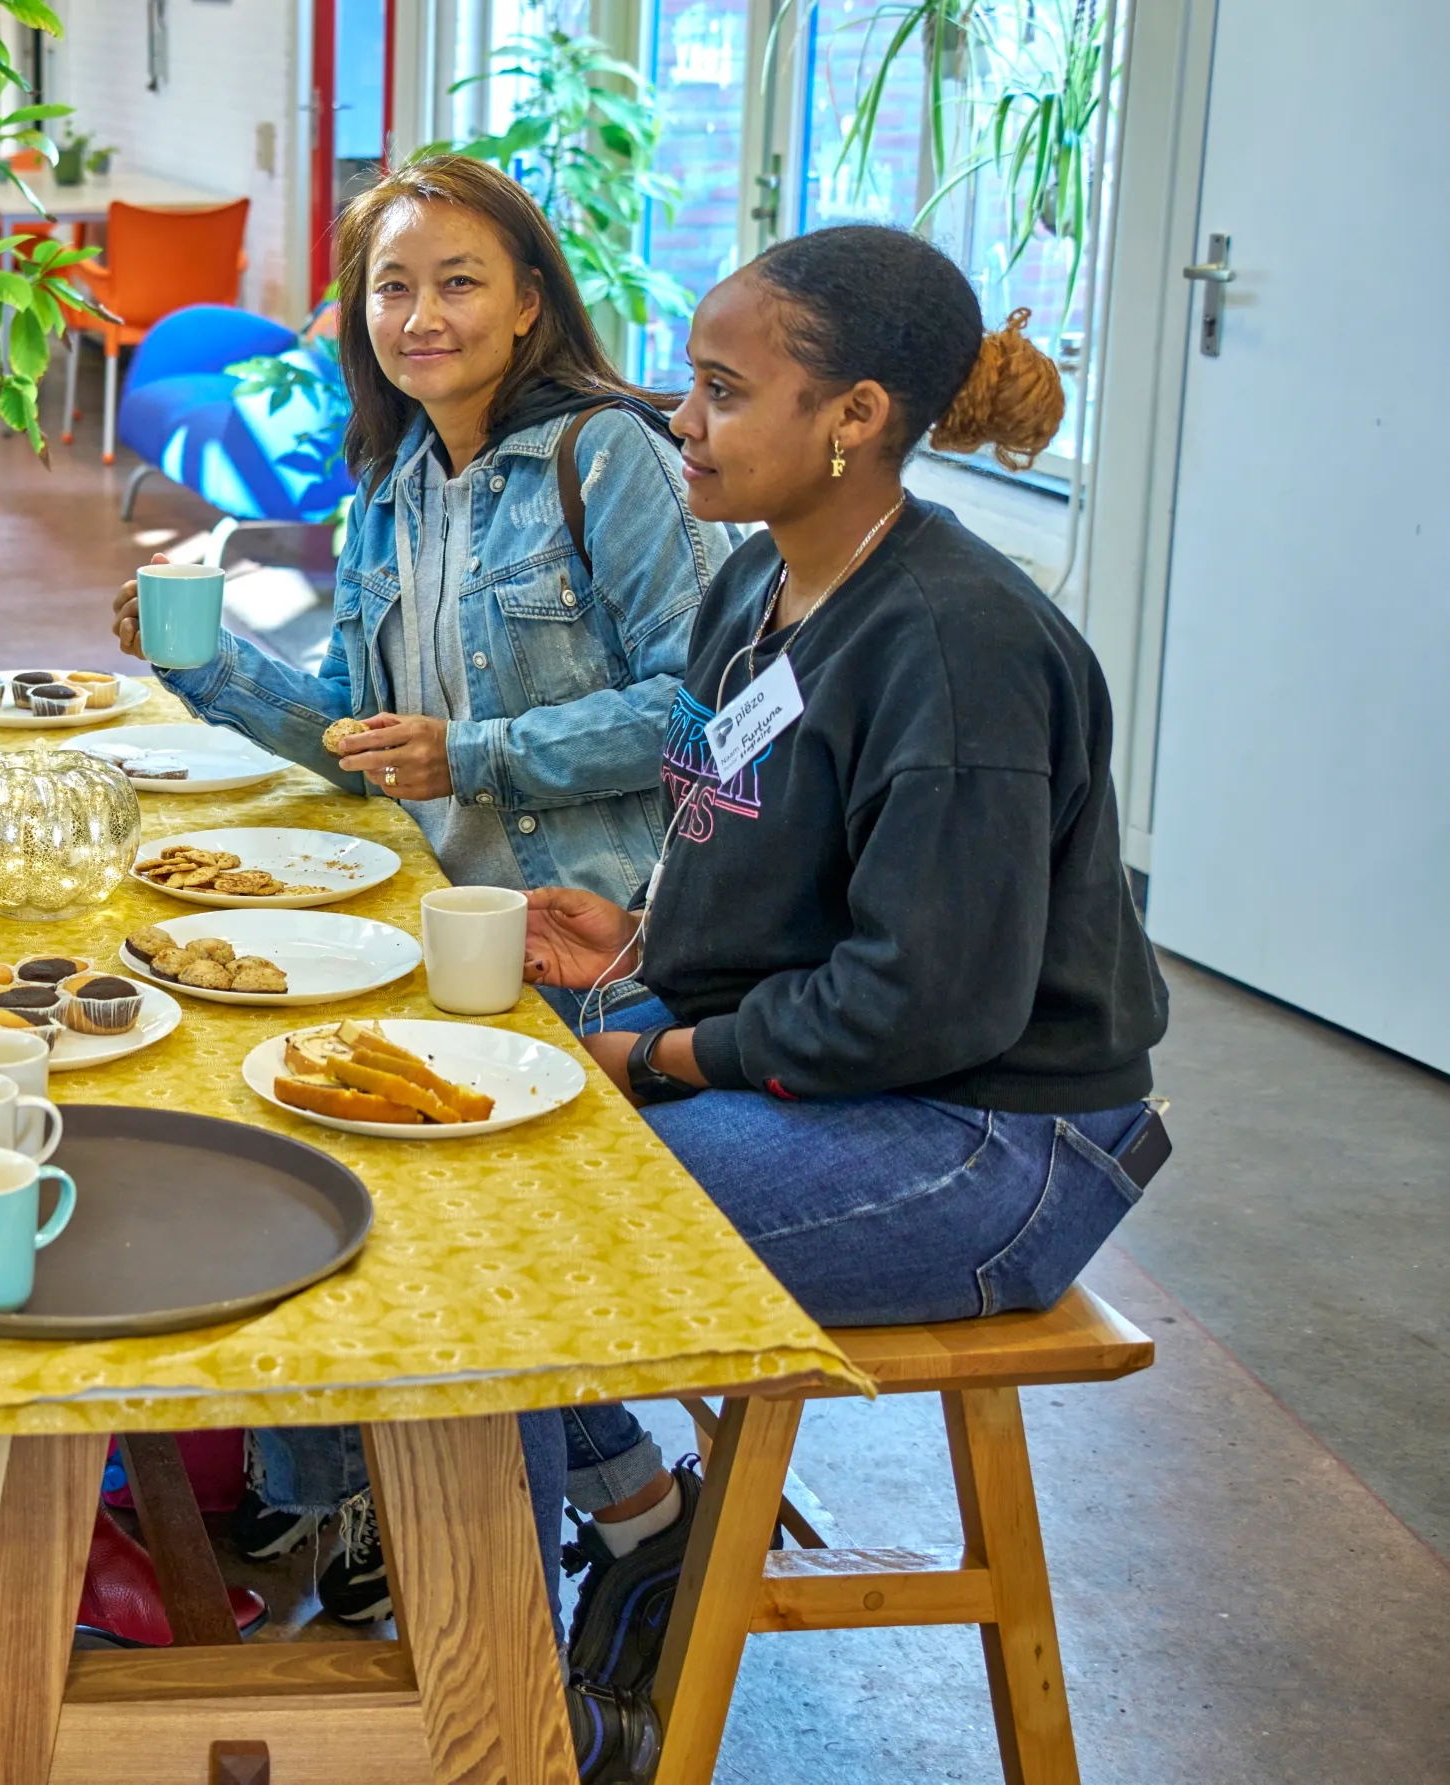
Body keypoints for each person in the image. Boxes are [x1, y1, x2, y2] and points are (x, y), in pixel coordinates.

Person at [519, 225, 1169, 1780]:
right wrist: (637, 945)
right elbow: (762, 843)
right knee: (466, 1116)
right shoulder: (762, 575)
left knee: (529, 1221)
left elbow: (926, 1001)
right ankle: (635, 1523)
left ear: (855, 418)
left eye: (725, 390)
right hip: (864, 1074)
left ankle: (529, 1651)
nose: (684, 419)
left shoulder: (956, 647)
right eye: (693, 383)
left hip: (993, 1140)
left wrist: (667, 1048)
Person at [108, 152, 731, 1618]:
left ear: (529, 303)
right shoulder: (391, 485)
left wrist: (484, 751)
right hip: (433, 923)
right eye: (394, 286)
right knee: (258, 1082)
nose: (422, 313)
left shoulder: (612, 454)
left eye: (459, 281)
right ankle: (364, 1504)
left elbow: (707, 711)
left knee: (398, 1186)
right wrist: (201, 667)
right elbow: (355, 741)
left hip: (599, 937)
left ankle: (560, 1525)